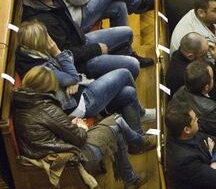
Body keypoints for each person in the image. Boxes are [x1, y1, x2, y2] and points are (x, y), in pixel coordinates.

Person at [15, 20, 156, 152]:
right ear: (39, 42)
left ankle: (137, 141)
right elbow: (72, 76)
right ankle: (139, 118)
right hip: (80, 104)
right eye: (46, 35)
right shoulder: (42, 67)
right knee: (124, 73)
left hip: (79, 92)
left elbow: (72, 77)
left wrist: (72, 80)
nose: (50, 38)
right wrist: (57, 52)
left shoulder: (29, 55)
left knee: (128, 92)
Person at [13, 66, 149, 188]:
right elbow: (79, 138)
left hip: (54, 157)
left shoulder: (22, 104)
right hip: (71, 161)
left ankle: (132, 175)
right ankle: (139, 145)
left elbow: (50, 128)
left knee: (116, 127)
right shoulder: (46, 108)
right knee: (116, 121)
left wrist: (70, 123)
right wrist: (82, 127)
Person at [23, 0, 151, 82]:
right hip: (81, 62)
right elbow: (67, 54)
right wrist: (96, 49)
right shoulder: (44, 22)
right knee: (133, 65)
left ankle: (120, 57)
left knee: (127, 32)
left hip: (81, 40)